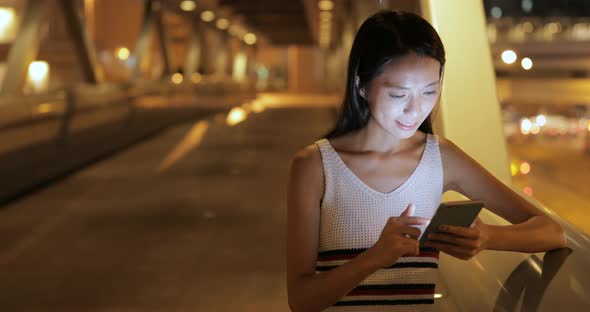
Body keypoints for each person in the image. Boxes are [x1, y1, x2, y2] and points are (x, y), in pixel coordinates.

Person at [286, 10, 567, 312]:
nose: (415, 110)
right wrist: (376, 257)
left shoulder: (440, 157)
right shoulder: (315, 166)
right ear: (361, 85)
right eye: (398, 94)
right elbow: (301, 299)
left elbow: (551, 231)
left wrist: (487, 236)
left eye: (429, 92)